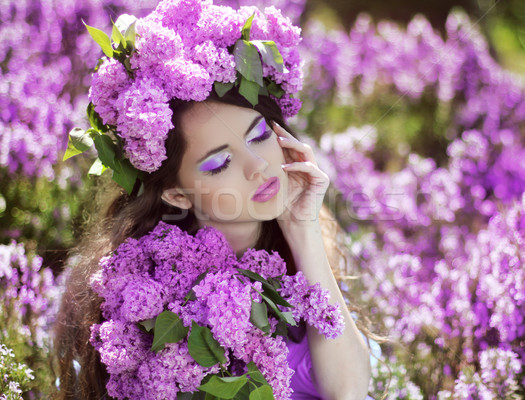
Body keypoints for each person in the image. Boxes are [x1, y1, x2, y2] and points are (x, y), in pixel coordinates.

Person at [54, 1, 371, 399]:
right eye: (220, 163)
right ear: (175, 194)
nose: (257, 166)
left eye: (258, 135)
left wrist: (303, 229)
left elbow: (353, 391)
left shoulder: (307, 239)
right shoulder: (145, 304)